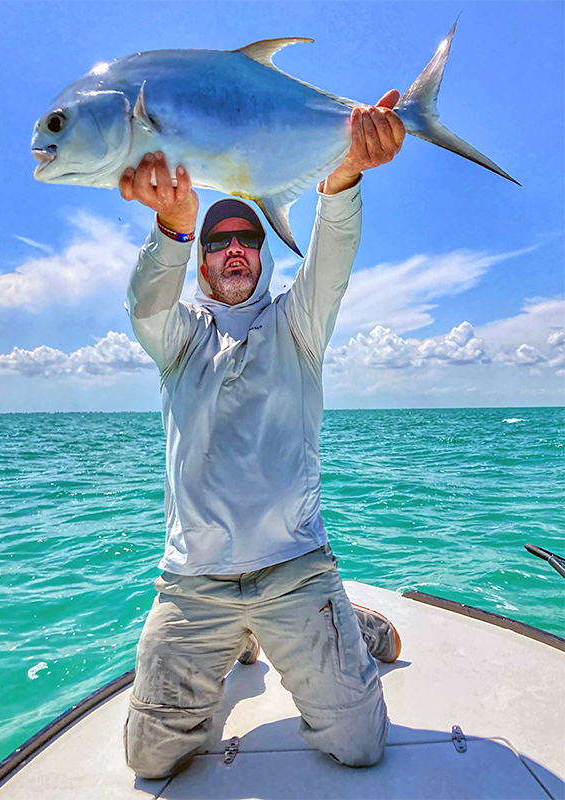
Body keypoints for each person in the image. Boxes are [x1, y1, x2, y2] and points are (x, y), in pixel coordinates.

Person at [119, 90, 406, 780]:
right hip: (195, 586)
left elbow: (332, 258)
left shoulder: (297, 324)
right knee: (151, 760)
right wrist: (172, 228)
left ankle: (350, 624)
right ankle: (240, 642)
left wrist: (342, 180)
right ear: (203, 260)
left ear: (264, 251)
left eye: (247, 237)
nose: (234, 248)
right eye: (218, 241)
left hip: (296, 573)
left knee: (361, 750)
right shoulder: (179, 336)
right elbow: (144, 302)